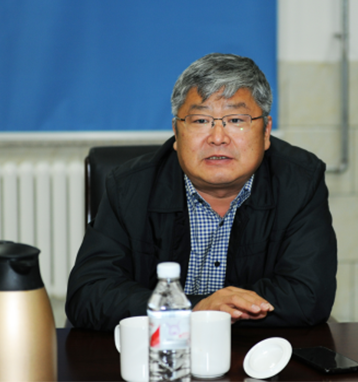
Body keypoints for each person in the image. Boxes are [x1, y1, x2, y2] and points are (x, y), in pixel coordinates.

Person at [66, 53, 337, 331]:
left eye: (236, 119)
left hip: (258, 351)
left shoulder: (299, 182)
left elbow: (309, 295)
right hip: (161, 349)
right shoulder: (130, 187)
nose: (218, 138)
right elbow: (88, 293)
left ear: (266, 131)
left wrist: (214, 311)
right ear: (176, 131)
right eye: (200, 121)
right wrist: (195, 309)